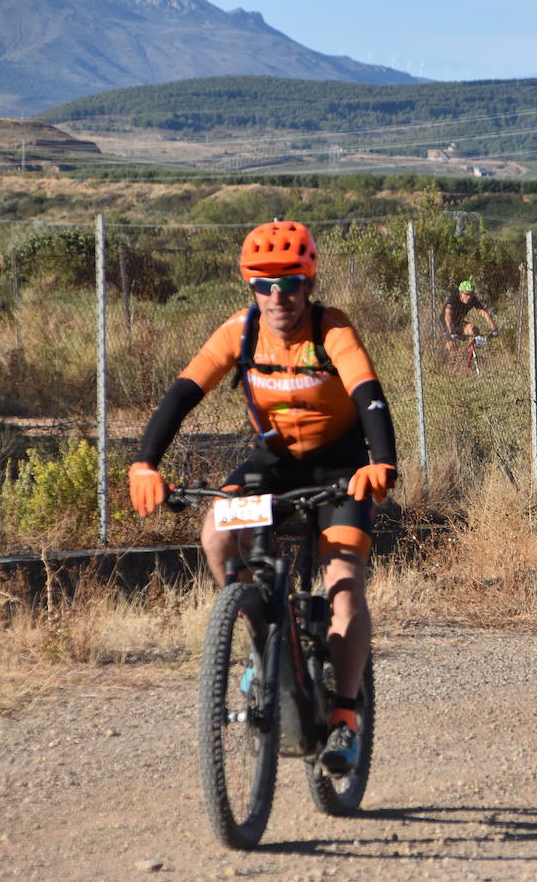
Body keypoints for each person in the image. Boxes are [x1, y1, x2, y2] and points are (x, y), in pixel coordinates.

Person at [127, 220, 397, 776]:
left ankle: (345, 714)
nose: (278, 296)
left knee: (343, 577)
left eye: (291, 283)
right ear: (249, 285)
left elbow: (369, 395)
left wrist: (380, 462)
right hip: (273, 462)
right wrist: (144, 463)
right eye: (263, 284)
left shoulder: (333, 330)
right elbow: (182, 394)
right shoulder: (239, 333)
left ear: (310, 284)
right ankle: (258, 637)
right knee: (216, 533)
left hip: (343, 466)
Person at [443, 279, 498, 358]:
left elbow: (484, 313)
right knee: (452, 349)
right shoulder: (454, 298)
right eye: (467, 294)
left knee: (474, 330)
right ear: (461, 293)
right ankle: (451, 365)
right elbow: (447, 315)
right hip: (446, 324)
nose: (469, 297)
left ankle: (469, 357)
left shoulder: (472, 299)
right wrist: (451, 333)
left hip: (459, 323)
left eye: (471, 294)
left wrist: (494, 329)